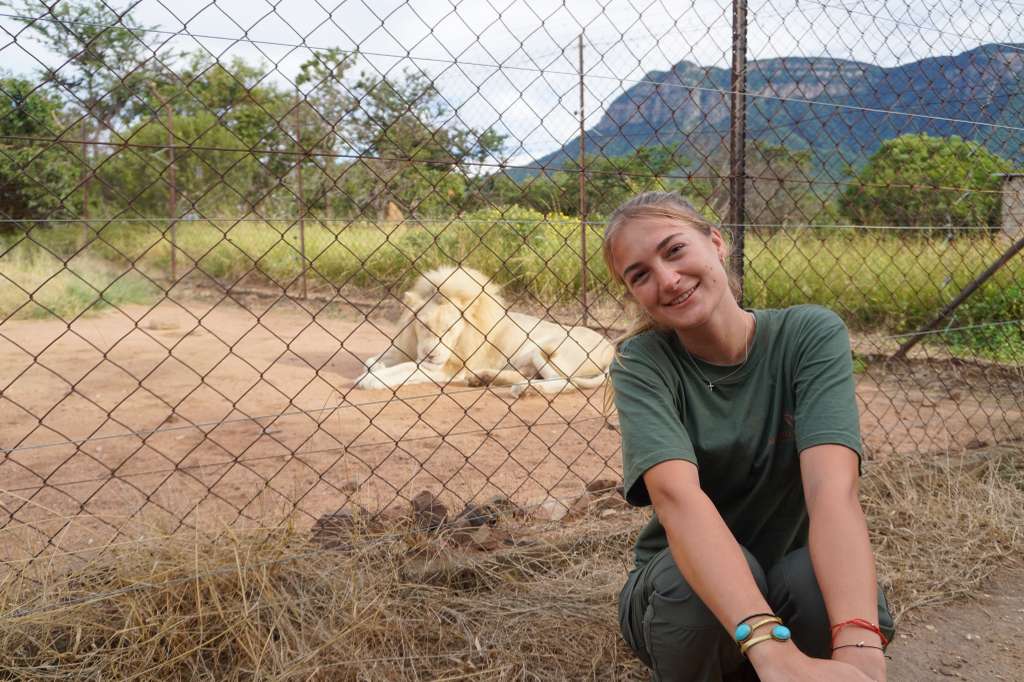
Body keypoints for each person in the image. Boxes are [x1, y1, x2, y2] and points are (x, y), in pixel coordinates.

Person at [605, 192, 895, 682]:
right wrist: (768, 646)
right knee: (693, 588)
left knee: (813, 580)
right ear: (634, 293)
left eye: (674, 250)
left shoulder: (808, 335)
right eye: (640, 275)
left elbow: (832, 491)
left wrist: (858, 642)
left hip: (788, 583)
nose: (667, 279)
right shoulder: (642, 363)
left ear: (716, 243)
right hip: (683, 595)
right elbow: (676, 499)